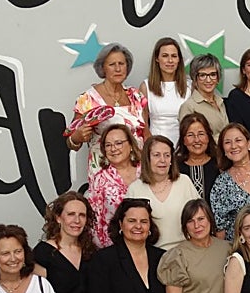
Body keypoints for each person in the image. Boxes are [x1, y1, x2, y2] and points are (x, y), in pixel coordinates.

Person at [65, 43, 146, 175]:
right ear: (103, 68)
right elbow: (71, 141)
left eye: (121, 63)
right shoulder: (87, 99)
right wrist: (76, 137)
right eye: (112, 64)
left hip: (137, 171)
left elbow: (146, 134)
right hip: (104, 173)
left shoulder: (137, 96)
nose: (118, 69)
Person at [128, 136, 198, 250]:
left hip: (185, 251)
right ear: (147, 159)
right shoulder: (135, 189)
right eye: (156, 155)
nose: (163, 160)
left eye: (167, 155)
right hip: (150, 254)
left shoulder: (184, 182)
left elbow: (200, 216)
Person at [86, 121, 143, 249]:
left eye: (118, 143)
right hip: (113, 247)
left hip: (148, 244)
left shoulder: (146, 172)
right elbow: (94, 221)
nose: (113, 149)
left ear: (131, 145)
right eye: (108, 145)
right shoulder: (100, 179)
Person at [140, 37, 190, 144]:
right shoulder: (146, 86)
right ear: (157, 59)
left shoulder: (190, 86)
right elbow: (143, 119)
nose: (170, 60)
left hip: (184, 145)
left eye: (174, 56)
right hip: (156, 144)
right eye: (165, 56)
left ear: (179, 59)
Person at [177, 54, 229, 139]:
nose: (208, 80)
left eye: (212, 74)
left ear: (218, 78)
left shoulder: (220, 102)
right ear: (195, 78)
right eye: (202, 75)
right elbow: (188, 139)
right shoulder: (188, 107)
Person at [175, 113, 220, 201]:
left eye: (201, 134)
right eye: (190, 135)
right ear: (183, 140)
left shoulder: (220, 164)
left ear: (208, 137)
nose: (196, 140)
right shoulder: (175, 167)